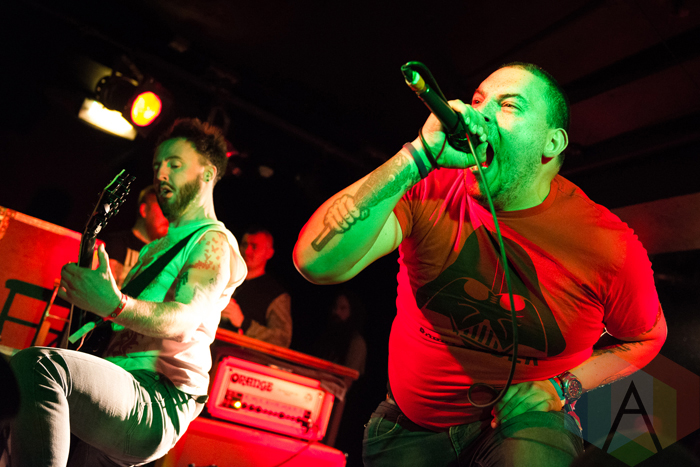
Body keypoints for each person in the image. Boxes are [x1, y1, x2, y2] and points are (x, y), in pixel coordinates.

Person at [293, 63, 667, 466]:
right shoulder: (431, 187)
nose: (480, 114)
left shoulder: (608, 246)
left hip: (525, 425)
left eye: (509, 106)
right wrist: (418, 156)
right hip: (410, 427)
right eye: (478, 100)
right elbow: (317, 262)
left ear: (552, 142)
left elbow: (646, 338)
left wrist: (563, 387)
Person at [7, 118, 247, 467]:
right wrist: (92, 304)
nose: (161, 173)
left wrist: (114, 304)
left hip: (155, 397)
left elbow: (185, 319)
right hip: (112, 391)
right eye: (157, 165)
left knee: (39, 367)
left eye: (175, 164)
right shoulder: (153, 250)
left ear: (208, 174)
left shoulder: (212, 241)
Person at [219, 227, 292, 348]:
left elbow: (282, 340)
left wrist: (243, 322)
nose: (247, 251)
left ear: (269, 253)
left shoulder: (276, 294)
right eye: (244, 245)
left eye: (254, 247)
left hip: (238, 356)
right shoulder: (224, 277)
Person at [103, 185, 169, 288]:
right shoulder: (116, 243)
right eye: (163, 207)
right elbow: (106, 288)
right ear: (144, 210)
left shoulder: (166, 253)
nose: (168, 215)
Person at [312, 290, 367, 376]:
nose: (336, 312)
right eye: (335, 307)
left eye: (343, 308)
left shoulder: (356, 343)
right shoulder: (327, 337)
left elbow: (348, 379)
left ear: (352, 312)